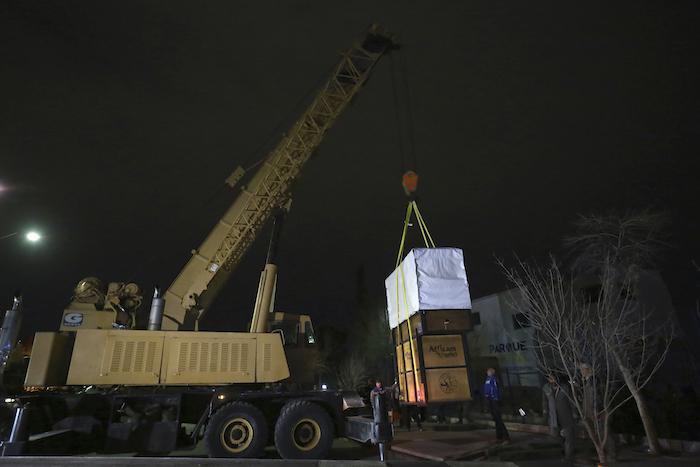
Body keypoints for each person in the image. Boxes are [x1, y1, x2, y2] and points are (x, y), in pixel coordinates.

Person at [579, 363, 616, 461]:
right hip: (596, 412)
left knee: (605, 433)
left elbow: (597, 397)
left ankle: (612, 455)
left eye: (583, 370)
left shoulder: (593, 381)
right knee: (600, 433)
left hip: (600, 412)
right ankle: (606, 454)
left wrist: (596, 410)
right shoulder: (589, 381)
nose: (581, 372)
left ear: (589, 370)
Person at [543, 373, 577, 460]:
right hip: (553, 417)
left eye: (553, 378)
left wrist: (575, 414)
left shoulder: (565, 387)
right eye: (550, 379)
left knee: (569, 436)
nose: (552, 381)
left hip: (566, 416)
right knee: (555, 436)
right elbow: (545, 401)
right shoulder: (546, 388)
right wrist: (545, 411)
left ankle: (569, 455)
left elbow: (571, 401)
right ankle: (559, 453)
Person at [482, 368, 510, 444]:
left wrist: (496, 397)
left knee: (498, 419)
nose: (487, 372)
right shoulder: (488, 379)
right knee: (496, 419)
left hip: (494, 400)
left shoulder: (493, 379)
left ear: (492, 372)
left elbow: (495, 388)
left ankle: (506, 438)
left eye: (489, 371)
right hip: (490, 400)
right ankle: (499, 437)